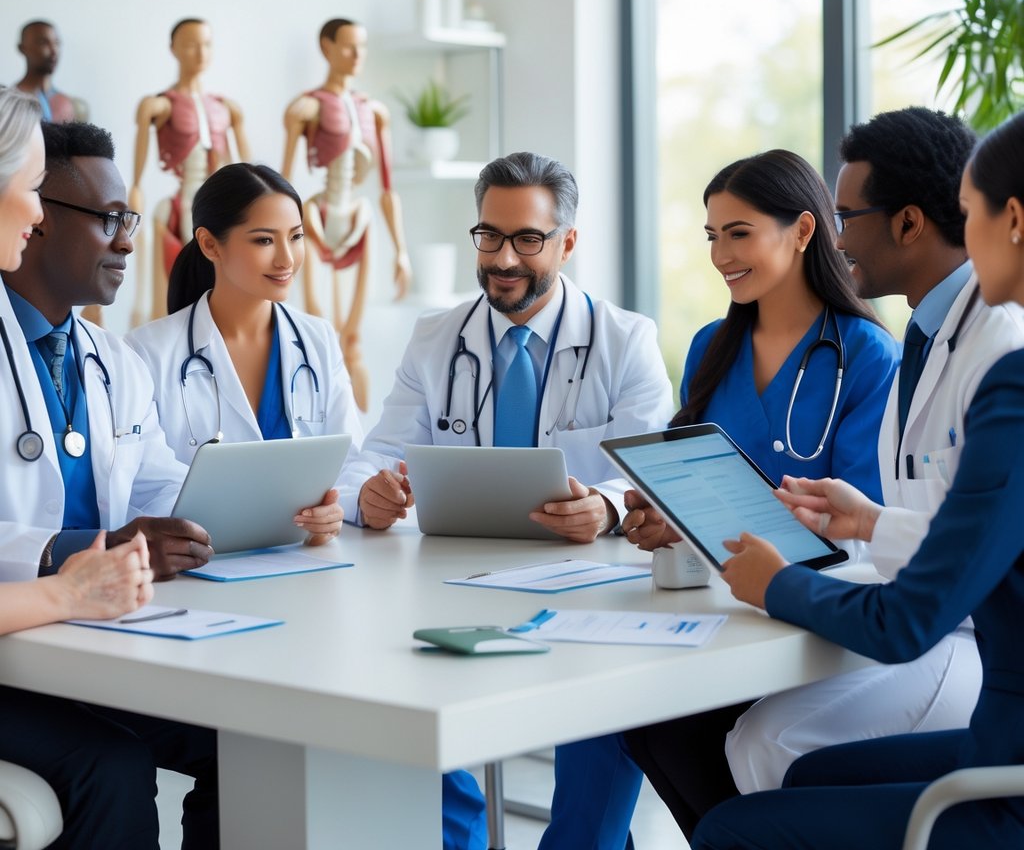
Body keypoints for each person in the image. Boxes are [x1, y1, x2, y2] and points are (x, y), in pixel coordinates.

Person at [691, 109, 1024, 850]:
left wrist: (776, 583)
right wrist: (872, 521)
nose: (835, 235)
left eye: (844, 216)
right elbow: (985, 531)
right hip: (995, 720)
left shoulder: (1007, 361)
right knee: (803, 778)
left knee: (734, 823)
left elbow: (915, 615)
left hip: (1003, 743)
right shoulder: (933, 333)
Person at [549, 149, 900, 850]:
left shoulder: (866, 354)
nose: (719, 255)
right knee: (638, 714)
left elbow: (857, 526)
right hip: (720, 609)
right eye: (711, 235)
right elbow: (697, 483)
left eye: (738, 232)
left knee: (672, 723)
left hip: (807, 617)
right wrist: (662, 516)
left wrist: (729, 524)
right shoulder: (713, 345)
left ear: (803, 231)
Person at [339, 150, 674, 850]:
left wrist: (608, 507)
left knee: (602, 716)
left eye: (527, 239)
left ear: (568, 242)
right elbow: (376, 454)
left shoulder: (625, 339)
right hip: (448, 582)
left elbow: (650, 469)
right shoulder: (437, 337)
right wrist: (366, 496)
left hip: (587, 591)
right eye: (489, 236)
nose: (503, 258)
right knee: (395, 700)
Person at [0, 89, 214, 849]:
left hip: (90, 632)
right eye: (108, 218)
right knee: (112, 764)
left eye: (129, 219)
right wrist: (65, 557)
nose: (127, 240)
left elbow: (157, 481)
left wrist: (226, 512)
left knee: (236, 738)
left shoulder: (112, 359)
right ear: (39, 213)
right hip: (15, 646)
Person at [127, 163, 362, 543]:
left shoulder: (317, 339)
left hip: (308, 565)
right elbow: (144, 486)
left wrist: (335, 509)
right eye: (264, 241)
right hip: (203, 568)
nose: (287, 259)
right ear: (209, 244)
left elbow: (350, 461)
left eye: (296, 236)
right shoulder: (147, 351)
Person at [281, 17, 411, 412]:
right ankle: (320, 429)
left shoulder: (375, 111)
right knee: (320, 333)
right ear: (327, 48)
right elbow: (282, 183)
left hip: (358, 219)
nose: (358, 56)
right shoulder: (305, 108)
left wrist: (401, 250)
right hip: (316, 216)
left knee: (354, 340)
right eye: (349, 47)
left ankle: (361, 444)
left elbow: (388, 187)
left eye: (363, 47)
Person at [131, 18, 251, 325]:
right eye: (191, 44)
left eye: (207, 44)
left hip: (220, 205)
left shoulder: (228, 108)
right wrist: (134, 192)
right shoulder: (158, 106)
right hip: (184, 204)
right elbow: (137, 178)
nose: (201, 53)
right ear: (174, 49)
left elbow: (250, 172)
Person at [13, 20, 88, 123]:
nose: (54, 50)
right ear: (22, 48)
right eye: (43, 42)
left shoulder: (75, 107)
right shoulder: (6, 104)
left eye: (57, 43)